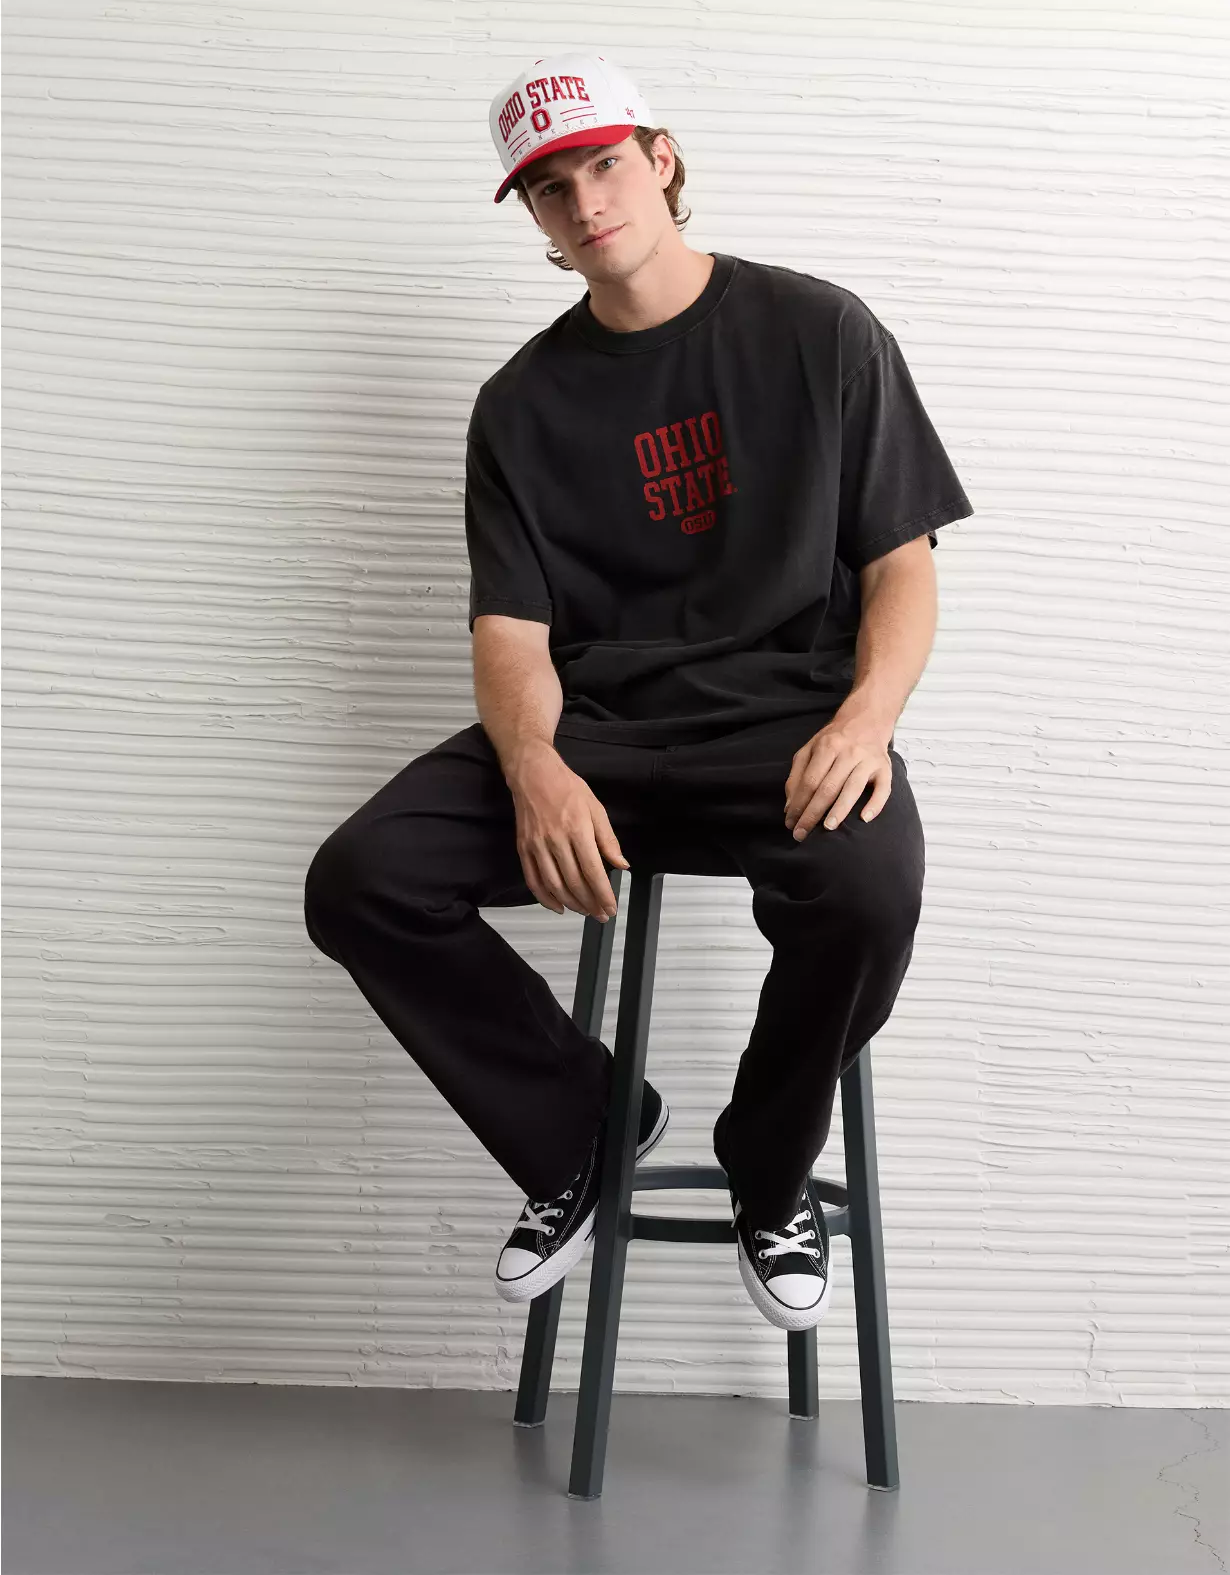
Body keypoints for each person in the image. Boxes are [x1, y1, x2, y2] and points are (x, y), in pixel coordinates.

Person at [304, 50, 974, 1333]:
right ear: (535, 219)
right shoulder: (519, 405)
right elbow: (510, 633)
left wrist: (866, 718)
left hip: (786, 730)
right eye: (551, 189)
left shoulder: (821, 332)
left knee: (870, 888)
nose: (586, 202)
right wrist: (535, 769)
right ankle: (586, 1127)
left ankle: (767, 1172)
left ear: (661, 162)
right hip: (596, 735)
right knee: (362, 878)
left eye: (604, 165)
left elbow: (903, 565)